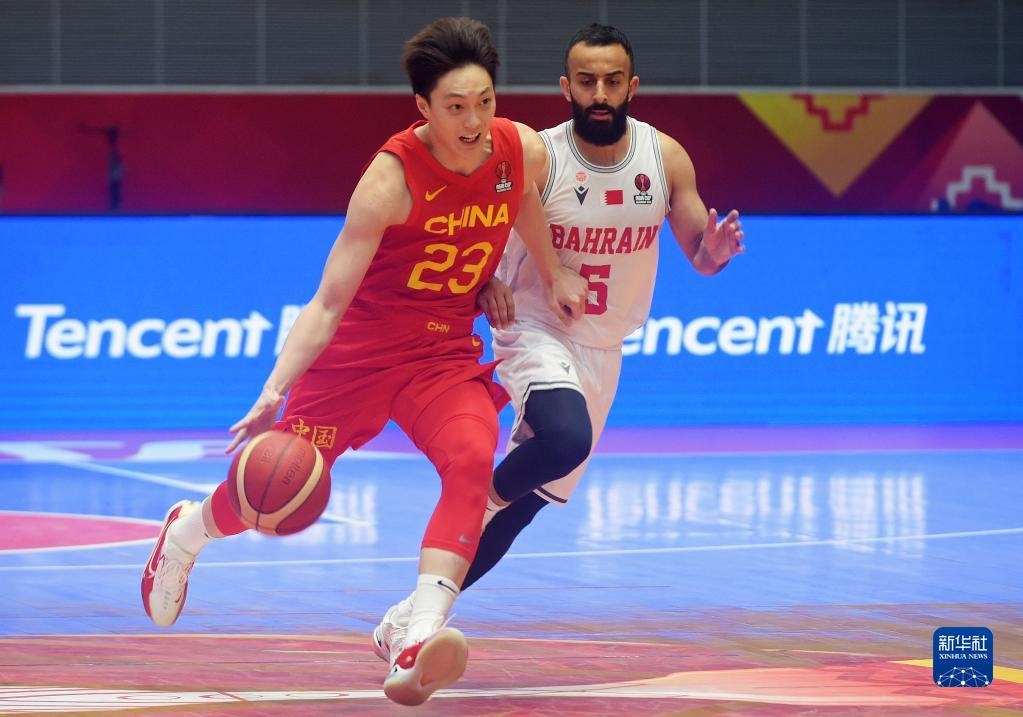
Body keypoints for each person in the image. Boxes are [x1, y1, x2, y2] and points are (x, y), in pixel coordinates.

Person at [140, 16, 588, 707]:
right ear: (423, 108)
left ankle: (415, 636)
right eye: (455, 107)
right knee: (273, 489)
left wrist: (543, 273)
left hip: (440, 355)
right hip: (357, 357)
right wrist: (274, 389)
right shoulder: (388, 181)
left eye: (484, 102)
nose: (473, 121)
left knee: (473, 461)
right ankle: (187, 531)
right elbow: (326, 303)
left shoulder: (517, 148)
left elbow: (521, 198)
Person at [374, 22, 744, 635]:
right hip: (536, 327)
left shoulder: (664, 157)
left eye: (612, 81)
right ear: (566, 87)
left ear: (632, 87)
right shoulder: (539, 155)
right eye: (587, 81)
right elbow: (479, 223)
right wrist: (488, 281)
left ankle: (415, 615)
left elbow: (700, 257)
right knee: (564, 439)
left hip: (605, 346)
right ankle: (477, 502)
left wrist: (718, 252)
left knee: (524, 509)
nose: (600, 93)